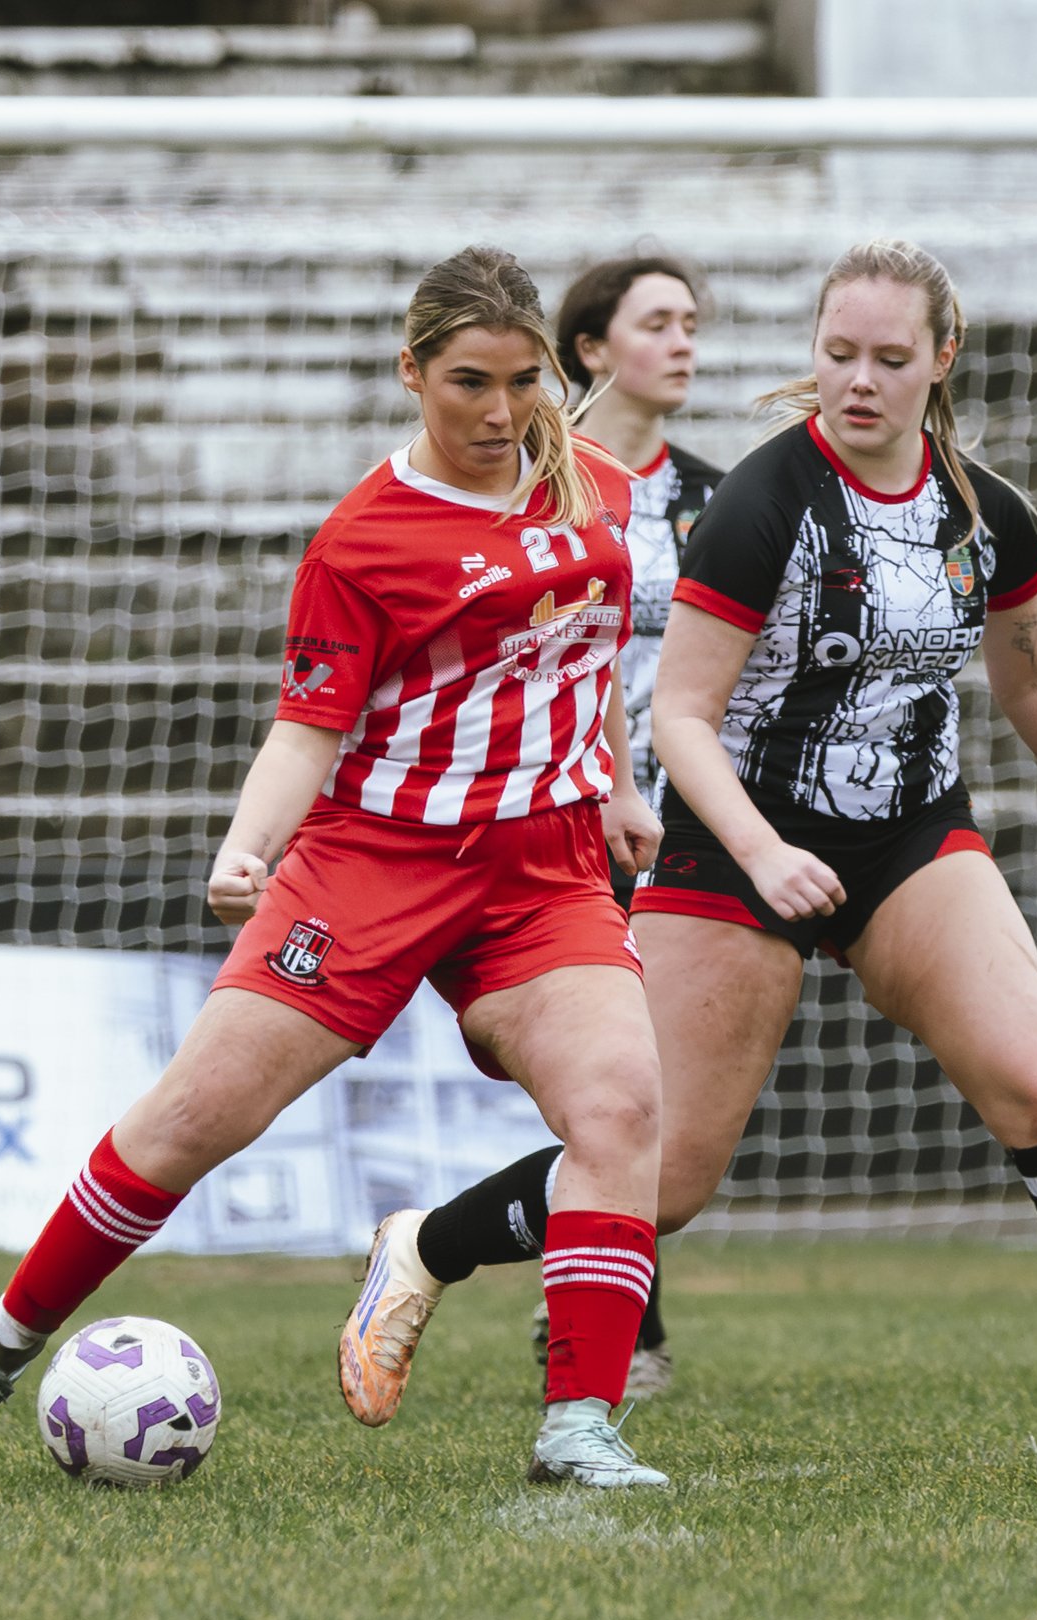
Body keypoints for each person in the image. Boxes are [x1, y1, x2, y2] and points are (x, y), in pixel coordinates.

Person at [347, 238, 1037, 1462]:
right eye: (838, 354)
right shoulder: (761, 503)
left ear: (941, 360)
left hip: (909, 837)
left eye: (891, 358)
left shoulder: (983, 511)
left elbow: (1031, 666)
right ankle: (426, 1247)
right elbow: (678, 716)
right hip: (736, 845)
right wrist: (763, 852)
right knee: (661, 1178)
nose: (860, 380)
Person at [0, 245, 675, 1492]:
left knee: (623, 1109)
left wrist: (624, 788)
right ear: (411, 370)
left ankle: (577, 1426)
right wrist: (249, 845)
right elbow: (308, 726)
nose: (499, 412)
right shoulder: (361, 543)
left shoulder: (595, 487)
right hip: (372, 864)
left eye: (524, 382)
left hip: (543, 867)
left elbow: (583, 659)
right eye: (468, 381)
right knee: (191, 1122)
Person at [376, 255, 724, 1407]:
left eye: (692, 323)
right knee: (622, 1098)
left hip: (683, 806)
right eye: (656, 322)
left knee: (646, 1107)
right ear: (585, 350)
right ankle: (618, 1339)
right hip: (545, 807)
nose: (683, 342)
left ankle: (475, 1260)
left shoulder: (715, 495)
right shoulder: (519, 473)